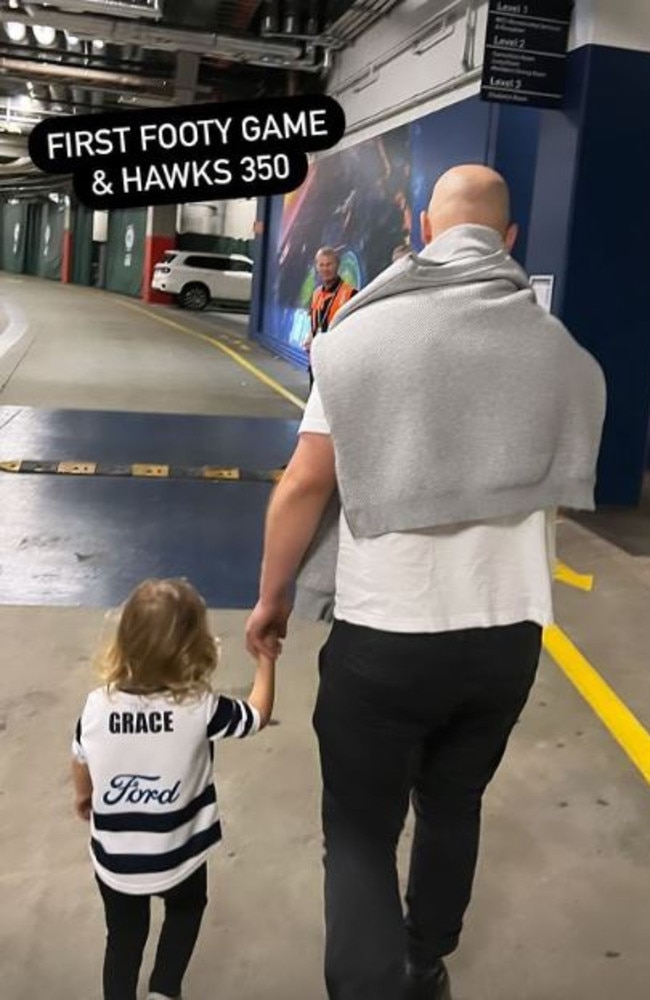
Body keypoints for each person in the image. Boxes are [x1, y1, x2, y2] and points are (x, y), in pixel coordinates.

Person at [246, 164, 606, 1000]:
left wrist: (272, 599)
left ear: (424, 230)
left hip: (386, 639)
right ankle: (424, 962)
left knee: (363, 834)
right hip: (509, 639)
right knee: (455, 805)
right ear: (509, 241)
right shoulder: (564, 358)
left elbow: (303, 485)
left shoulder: (361, 342)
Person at [72, 578, 275, 1000]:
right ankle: (164, 989)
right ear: (193, 646)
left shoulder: (96, 706)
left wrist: (84, 796)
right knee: (186, 909)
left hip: (116, 858)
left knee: (123, 936)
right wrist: (266, 660)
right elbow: (256, 715)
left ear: (124, 640)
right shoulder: (200, 707)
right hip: (179, 850)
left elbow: (80, 759)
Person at [304, 246, 357, 388]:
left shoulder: (351, 294)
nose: (325, 269)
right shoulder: (316, 294)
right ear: (316, 267)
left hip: (336, 365)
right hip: (316, 362)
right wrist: (310, 338)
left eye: (329, 264)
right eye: (321, 265)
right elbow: (314, 324)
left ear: (337, 265)